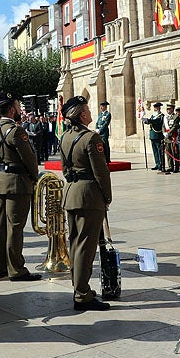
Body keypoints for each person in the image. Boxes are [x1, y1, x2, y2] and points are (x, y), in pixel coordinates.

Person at [58, 96, 113, 311]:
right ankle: (82, 294)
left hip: (71, 193)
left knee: (76, 243)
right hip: (89, 196)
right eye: (88, 110)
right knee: (86, 247)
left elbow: (64, 168)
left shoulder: (64, 137)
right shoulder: (91, 138)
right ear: (82, 114)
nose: (91, 114)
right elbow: (101, 172)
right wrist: (106, 197)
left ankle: (79, 288)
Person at [0, 91, 42, 281]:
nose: (20, 110)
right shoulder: (16, 131)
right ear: (12, 110)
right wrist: (35, 177)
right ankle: (16, 269)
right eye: (18, 107)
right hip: (16, 183)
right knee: (15, 226)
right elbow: (29, 159)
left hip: (0, 179)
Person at [142, 102, 165, 170]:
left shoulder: (161, 116)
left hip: (158, 135)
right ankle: (157, 163)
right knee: (155, 151)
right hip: (153, 135)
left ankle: (161, 164)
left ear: (159, 108)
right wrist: (145, 121)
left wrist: (148, 120)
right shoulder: (153, 115)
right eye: (155, 107)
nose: (155, 109)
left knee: (159, 150)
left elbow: (156, 121)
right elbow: (151, 121)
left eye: (157, 107)